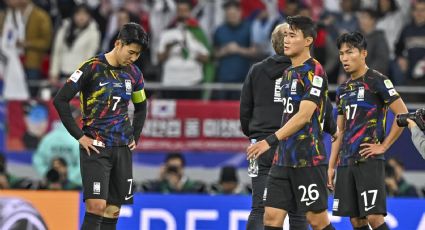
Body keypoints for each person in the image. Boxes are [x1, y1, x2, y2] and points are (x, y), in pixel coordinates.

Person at [53, 22, 149, 230]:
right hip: (96, 147)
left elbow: (141, 107)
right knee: (96, 206)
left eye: (137, 55)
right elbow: (60, 100)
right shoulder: (91, 67)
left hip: (122, 148)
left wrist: (135, 136)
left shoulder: (134, 74)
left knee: (113, 210)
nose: (133, 58)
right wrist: (79, 136)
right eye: (131, 52)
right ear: (118, 44)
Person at [247, 16, 335, 230]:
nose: (286, 40)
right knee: (271, 217)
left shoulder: (314, 70)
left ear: (308, 41)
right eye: (285, 35)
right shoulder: (288, 73)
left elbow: (304, 115)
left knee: (316, 220)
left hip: (307, 159)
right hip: (283, 158)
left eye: (292, 36)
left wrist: (268, 141)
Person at [328, 31, 408, 230]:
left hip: (368, 160)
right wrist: (331, 166)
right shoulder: (342, 89)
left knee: (374, 217)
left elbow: (403, 115)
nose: (344, 58)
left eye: (350, 52)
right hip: (346, 161)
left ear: (363, 53)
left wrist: (383, 146)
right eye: (341, 53)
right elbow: (340, 130)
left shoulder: (377, 80)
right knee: (356, 220)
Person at [240, 22, 307, 230]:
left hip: (260, 146)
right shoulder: (304, 70)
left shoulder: (256, 70)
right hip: (293, 144)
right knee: (297, 211)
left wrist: (254, 135)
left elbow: (244, 110)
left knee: (260, 208)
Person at [141, 153, 207, 193]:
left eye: (176, 168)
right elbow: (149, 198)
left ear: (182, 168)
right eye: (171, 167)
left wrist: (178, 188)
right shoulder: (161, 186)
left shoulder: (193, 186)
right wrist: (159, 180)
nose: (173, 171)